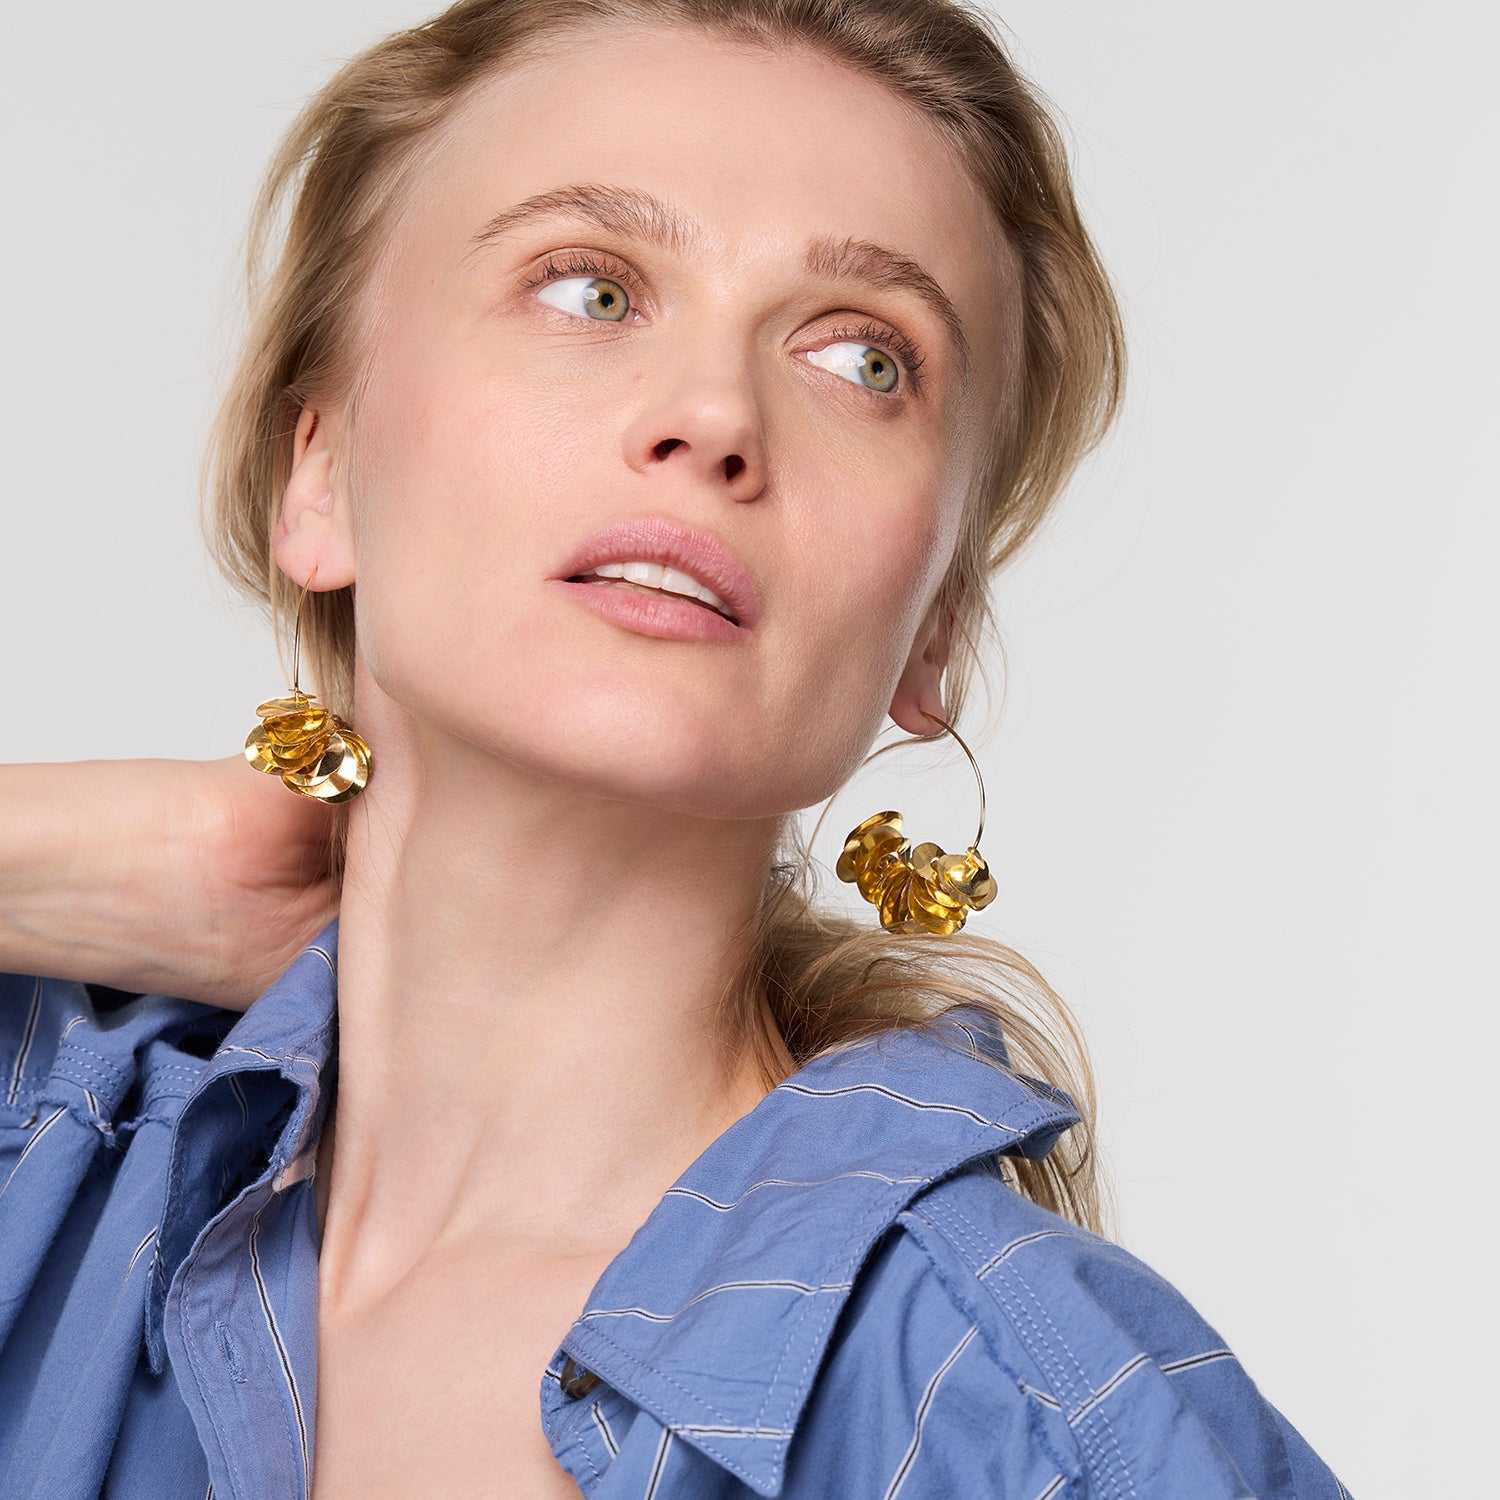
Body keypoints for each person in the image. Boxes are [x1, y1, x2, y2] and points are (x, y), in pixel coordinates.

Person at [0, 0, 1355, 1495]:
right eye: (590, 289)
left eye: (866, 360)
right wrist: (76, 855)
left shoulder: (1044, 1425)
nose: (715, 417)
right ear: (315, 470)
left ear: (936, 628)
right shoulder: (39, 1155)